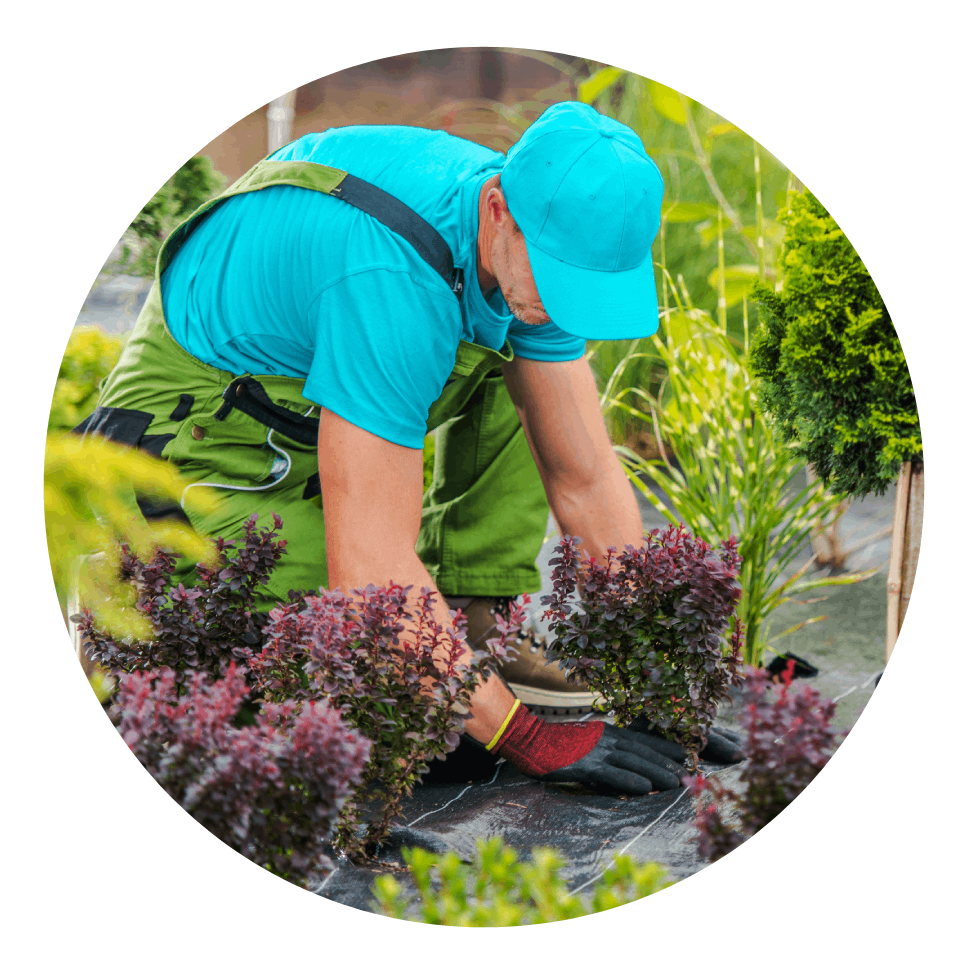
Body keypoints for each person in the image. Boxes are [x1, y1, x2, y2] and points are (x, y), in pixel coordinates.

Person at [79, 101, 741, 795]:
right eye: (558, 279)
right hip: (199, 426)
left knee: (529, 373)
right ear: (497, 211)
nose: (564, 304)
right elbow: (371, 572)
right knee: (310, 695)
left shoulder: (536, 247)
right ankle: (126, 603)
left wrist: (656, 681)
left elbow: (585, 477)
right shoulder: (391, 277)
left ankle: (474, 623)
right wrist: (526, 737)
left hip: (317, 389)